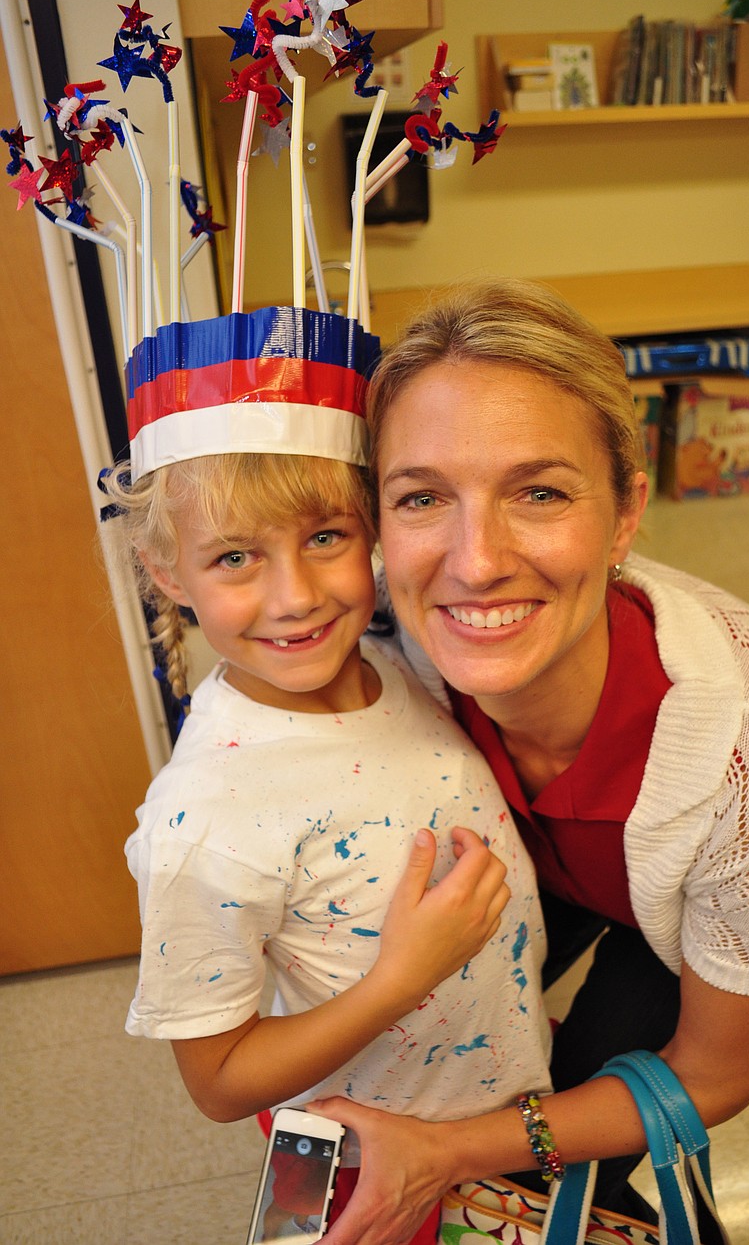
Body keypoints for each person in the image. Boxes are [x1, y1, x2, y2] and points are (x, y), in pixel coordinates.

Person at [306, 278, 749, 1245]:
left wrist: (457, 1152)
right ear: (377, 523)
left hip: (672, 912)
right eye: (423, 496)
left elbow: (716, 1071)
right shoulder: (374, 640)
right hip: (518, 858)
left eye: (541, 491)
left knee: (585, 1135)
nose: (476, 561)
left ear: (626, 511)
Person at [106, 303, 553, 1245]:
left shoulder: (396, 657)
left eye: (325, 537)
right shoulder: (206, 821)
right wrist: (398, 980)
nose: (296, 596)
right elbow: (219, 1082)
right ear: (166, 572)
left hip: (488, 1125)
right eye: (235, 556)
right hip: (356, 1164)